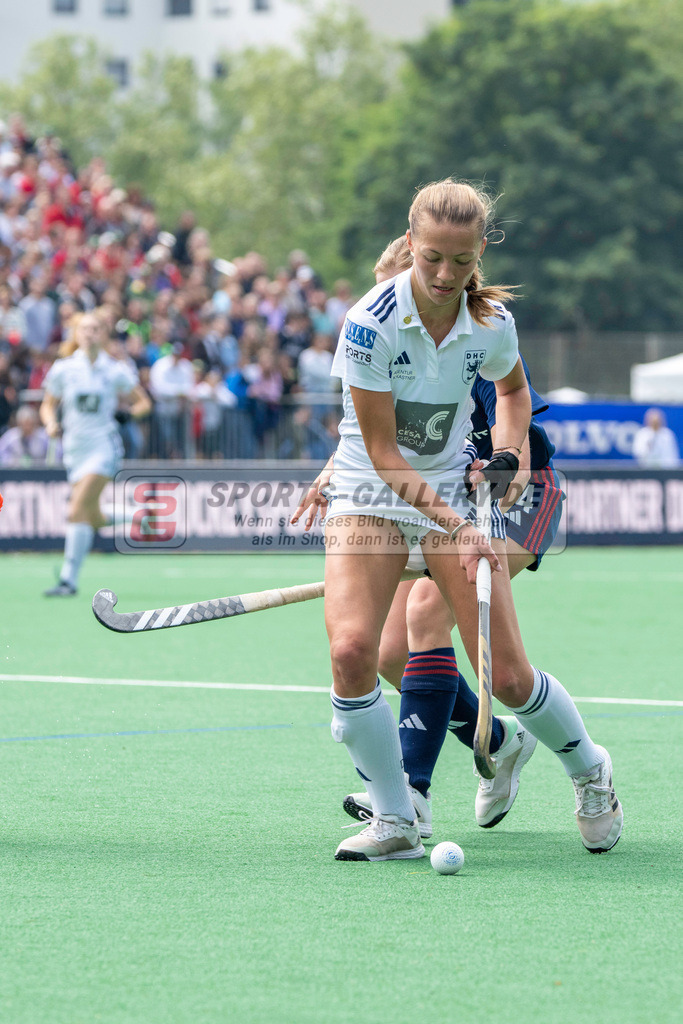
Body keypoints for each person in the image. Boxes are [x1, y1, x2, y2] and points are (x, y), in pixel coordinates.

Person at [298, 179, 621, 862]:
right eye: (432, 259)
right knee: (356, 653)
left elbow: (513, 392)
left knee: (509, 678)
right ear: (411, 243)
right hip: (373, 495)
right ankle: (396, 817)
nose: (446, 275)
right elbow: (381, 451)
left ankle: (590, 769)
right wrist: (457, 524)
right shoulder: (369, 323)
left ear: (480, 252)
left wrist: (507, 456)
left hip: (454, 491)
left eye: (462, 261)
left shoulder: (490, 324)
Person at [39, 311, 151, 596]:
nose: (90, 334)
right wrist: (50, 424)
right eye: (85, 329)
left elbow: (143, 403)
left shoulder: (114, 370)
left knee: (76, 508)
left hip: (103, 447)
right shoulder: (64, 369)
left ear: (103, 335)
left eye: (95, 329)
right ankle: (136, 514)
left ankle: (68, 580)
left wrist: (128, 415)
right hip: (75, 449)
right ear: (76, 334)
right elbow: (48, 405)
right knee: (92, 515)